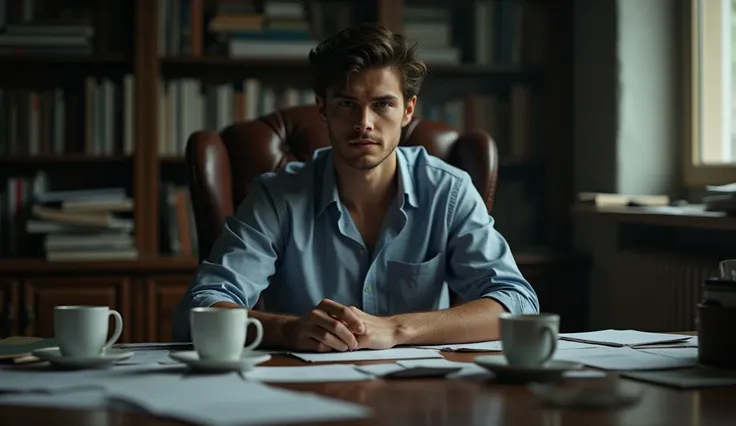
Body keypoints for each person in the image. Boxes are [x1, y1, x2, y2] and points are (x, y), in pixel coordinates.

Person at [172, 23, 539, 352]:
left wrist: (397, 329)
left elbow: (516, 301)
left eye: (382, 105)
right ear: (323, 108)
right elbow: (200, 308)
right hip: (302, 390)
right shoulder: (277, 196)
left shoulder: (449, 192)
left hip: (422, 396)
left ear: (408, 110)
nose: (364, 123)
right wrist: (290, 331)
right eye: (347, 104)